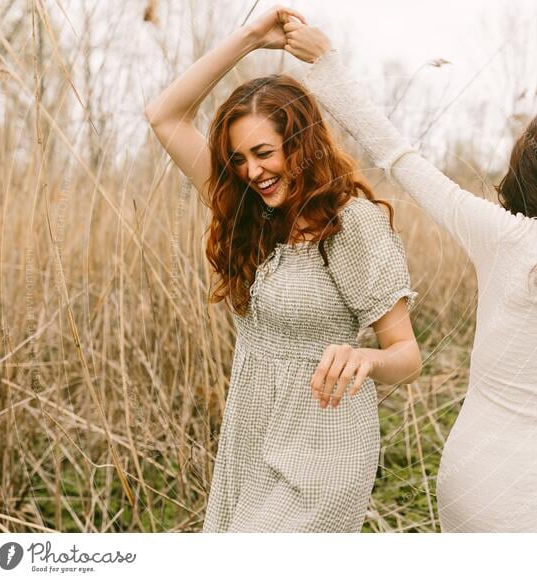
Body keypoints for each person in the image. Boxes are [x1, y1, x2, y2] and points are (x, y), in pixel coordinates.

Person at [283, 17, 537, 532]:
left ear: (527, 170)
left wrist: (327, 64)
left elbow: (398, 155)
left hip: (477, 477)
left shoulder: (505, 238)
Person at [144, 6, 422, 532]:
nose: (253, 171)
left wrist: (363, 357)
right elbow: (164, 115)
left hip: (326, 452)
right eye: (240, 159)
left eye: (264, 152)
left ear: (302, 142)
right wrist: (250, 38)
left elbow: (407, 357)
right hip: (250, 440)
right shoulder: (247, 211)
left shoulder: (351, 224)